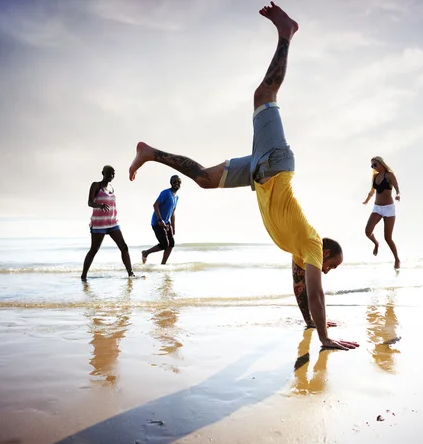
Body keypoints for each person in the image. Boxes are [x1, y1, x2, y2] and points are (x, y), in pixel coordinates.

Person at [128, 2, 358, 351]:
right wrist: (326, 339)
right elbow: (315, 292)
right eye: (332, 264)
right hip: (276, 165)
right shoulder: (311, 245)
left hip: (258, 173)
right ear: (324, 251)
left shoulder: (301, 251)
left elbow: (300, 291)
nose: (329, 270)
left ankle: (149, 153)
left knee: (204, 179)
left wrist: (312, 324)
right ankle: (287, 32)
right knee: (264, 95)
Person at [81, 165, 135, 281]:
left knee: (124, 247)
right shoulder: (96, 185)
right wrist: (99, 206)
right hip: (99, 224)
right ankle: (83, 276)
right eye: (109, 173)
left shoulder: (111, 187)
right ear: (103, 173)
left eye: (113, 173)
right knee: (94, 250)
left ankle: (131, 274)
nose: (111, 175)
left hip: (113, 223)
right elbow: (90, 202)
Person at [362, 156, 401, 269]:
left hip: (389, 209)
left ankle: (397, 259)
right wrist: (366, 200)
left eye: (375, 164)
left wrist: (398, 194)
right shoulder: (375, 177)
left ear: (381, 163)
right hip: (377, 208)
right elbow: (372, 191)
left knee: (388, 238)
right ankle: (376, 243)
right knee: (368, 231)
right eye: (372, 166)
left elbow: (396, 187)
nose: (374, 167)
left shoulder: (389, 175)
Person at [142, 175, 181, 265]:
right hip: (157, 222)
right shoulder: (166, 193)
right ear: (171, 183)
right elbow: (155, 205)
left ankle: (163, 265)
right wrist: (160, 219)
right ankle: (146, 253)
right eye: (174, 182)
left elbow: (173, 212)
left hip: (167, 223)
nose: (176, 184)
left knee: (171, 244)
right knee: (164, 244)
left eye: (178, 182)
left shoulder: (176, 197)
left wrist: (173, 227)